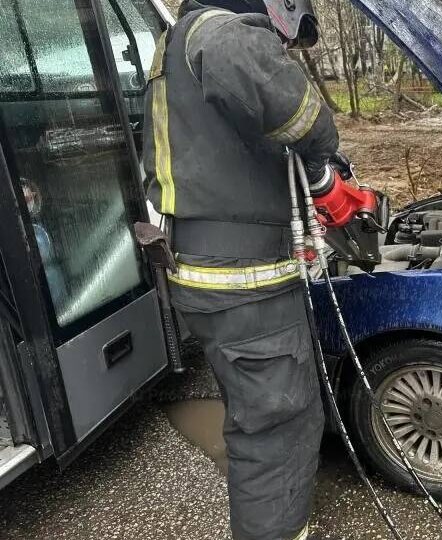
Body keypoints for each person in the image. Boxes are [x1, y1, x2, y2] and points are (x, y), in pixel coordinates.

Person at [142, 1, 345, 538]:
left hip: (208, 272)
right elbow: (302, 116)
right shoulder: (224, 34)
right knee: (278, 430)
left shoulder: (178, 43)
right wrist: (325, 163)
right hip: (244, 280)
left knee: (255, 415)